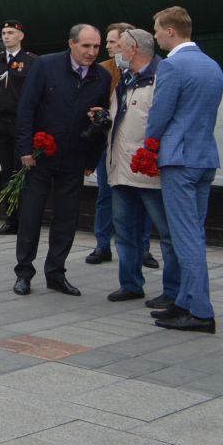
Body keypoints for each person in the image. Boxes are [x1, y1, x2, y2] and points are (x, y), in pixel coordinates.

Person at [11, 24, 109, 298]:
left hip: (75, 157)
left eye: (96, 47)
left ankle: (56, 273)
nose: (92, 52)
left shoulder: (101, 76)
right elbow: (26, 107)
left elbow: (99, 120)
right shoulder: (46, 66)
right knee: (31, 216)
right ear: (71, 43)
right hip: (40, 157)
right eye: (86, 46)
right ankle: (24, 273)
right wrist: (25, 149)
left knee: (67, 219)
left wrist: (92, 158)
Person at [144, 6, 223, 333]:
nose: (155, 36)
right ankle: (185, 301)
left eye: (157, 30)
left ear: (170, 31)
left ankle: (200, 312)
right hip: (204, 157)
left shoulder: (172, 65)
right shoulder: (212, 65)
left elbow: (160, 113)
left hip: (179, 159)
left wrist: (149, 145)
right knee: (195, 232)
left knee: (185, 236)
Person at [103, 28, 180, 306]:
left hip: (149, 172)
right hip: (121, 170)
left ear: (133, 49)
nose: (115, 51)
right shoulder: (126, 79)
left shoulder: (161, 78)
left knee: (168, 235)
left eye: (120, 46)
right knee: (125, 233)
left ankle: (173, 292)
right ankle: (130, 284)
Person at [0, 20, 36, 236]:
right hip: (0, 124)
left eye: (11, 33)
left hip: (21, 123)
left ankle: (26, 220)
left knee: (21, 172)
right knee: (7, 172)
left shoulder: (31, 61)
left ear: (21, 36)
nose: (6, 36)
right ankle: (11, 220)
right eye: (4, 33)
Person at [86, 22, 133, 265]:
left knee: (139, 197)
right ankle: (102, 245)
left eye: (113, 42)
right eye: (108, 42)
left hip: (133, 146)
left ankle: (142, 248)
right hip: (108, 144)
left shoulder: (143, 69)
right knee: (105, 195)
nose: (108, 46)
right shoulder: (102, 70)